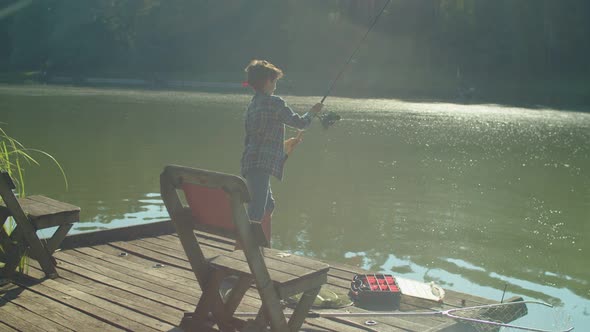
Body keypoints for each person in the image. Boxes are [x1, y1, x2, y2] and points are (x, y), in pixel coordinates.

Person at [240, 59, 323, 247]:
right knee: (256, 211)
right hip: (260, 166)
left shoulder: (253, 105)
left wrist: (284, 145)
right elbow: (300, 123)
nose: (275, 86)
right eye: (274, 81)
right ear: (268, 81)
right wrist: (313, 112)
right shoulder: (274, 103)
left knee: (268, 206)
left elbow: (258, 137)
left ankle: (261, 245)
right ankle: (244, 251)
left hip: (250, 163)